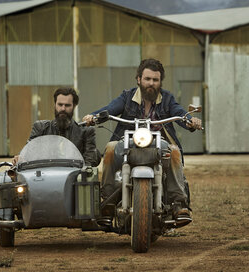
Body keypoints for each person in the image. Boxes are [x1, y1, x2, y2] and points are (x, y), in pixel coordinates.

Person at [82, 58, 202, 223]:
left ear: (160, 82)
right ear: (139, 79)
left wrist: (190, 120)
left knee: (174, 151)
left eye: (155, 80)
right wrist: (94, 116)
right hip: (128, 144)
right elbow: (109, 109)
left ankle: (178, 203)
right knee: (110, 148)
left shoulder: (167, 99)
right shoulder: (127, 97)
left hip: (159, 146)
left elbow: (179, 112)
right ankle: (108, 202)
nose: (151, 83)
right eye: (147, 79)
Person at [12, 87, 101, 167]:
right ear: (55, 105)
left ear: (74, 106)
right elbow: (29, 150)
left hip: (74, 179)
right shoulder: (41, 127)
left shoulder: (86, 132)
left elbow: (89, 163)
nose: (63, 109)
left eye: (67, 105)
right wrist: (20, 157)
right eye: (60, 104)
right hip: (44, 177)